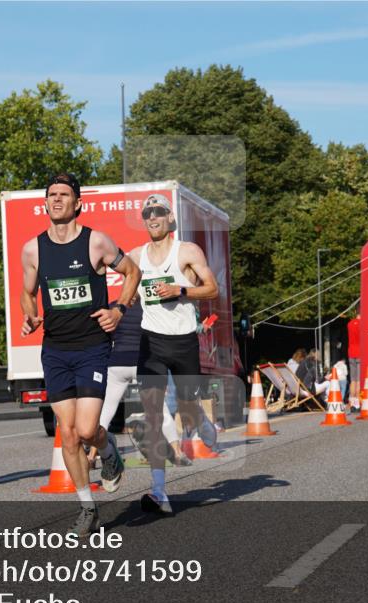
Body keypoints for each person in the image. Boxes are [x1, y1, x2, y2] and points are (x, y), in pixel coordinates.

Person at [20, 173, 141, 535]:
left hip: (92, 347)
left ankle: (109, 452)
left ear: (78, 203)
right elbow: (27, 292)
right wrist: (31, 314)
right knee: (69, 434)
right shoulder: (33, 249)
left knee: (88, 430)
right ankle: (88, 507)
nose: (56, 199)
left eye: (64, 194)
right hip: (55, 350)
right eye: (51, 195)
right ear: (45, 203)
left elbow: (132, 272)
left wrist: (119, 309)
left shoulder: (96, 242)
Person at [129, 193, 219, 515]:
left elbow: (212, 288)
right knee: (153, 415)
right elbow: (118, 279)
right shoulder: (136, 256)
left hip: (183, 342)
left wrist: (180, 290)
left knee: (188, 409)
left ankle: (202, 421)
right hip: (151, 342)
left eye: (158, 211)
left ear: (170, 218)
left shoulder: (187, 251)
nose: (152, 217)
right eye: (147, 213)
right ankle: (159, 493)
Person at [94, 301, 190, 469]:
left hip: (117, 363)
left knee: (106, 412)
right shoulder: (151, 307)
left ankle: (91, 455)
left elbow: (105, 337)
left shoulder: (113, 307)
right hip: (143, 362)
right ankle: (177, 452)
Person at [347, 316, 361, 410]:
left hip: (351, 352)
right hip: (360, 352)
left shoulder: (349, 324)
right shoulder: (363, 323)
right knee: (359, 380)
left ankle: (352, 403)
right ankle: (357, 404)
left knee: (353, 380)